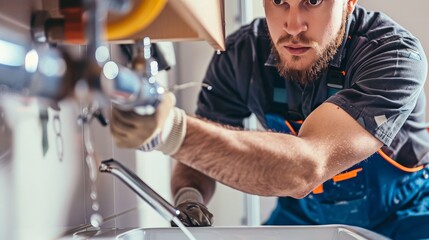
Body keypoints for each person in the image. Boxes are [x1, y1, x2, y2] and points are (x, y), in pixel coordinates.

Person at [110, 0, 429, 239]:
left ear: (349, 2)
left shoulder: (393, 56)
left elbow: (306, 168)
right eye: (279, 1)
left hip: (404, 217)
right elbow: (196, 163)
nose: (292, 25)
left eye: (312, 1)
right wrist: (189, 197)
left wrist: (171, 130)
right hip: (301, 217)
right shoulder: (240, 56)